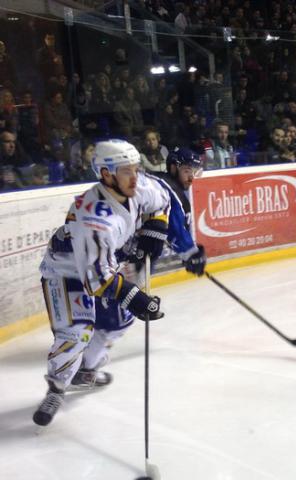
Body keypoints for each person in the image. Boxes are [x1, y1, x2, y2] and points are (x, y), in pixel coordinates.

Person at [33, 139, 170, 427]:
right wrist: (136, 297)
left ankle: (86, 371)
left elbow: (162, 200)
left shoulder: (137, 186)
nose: (135, 177)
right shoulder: (94, 219)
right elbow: (96, 281)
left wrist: (156, 227)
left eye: (136, 168)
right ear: (106, 174)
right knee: (76, 333)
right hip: (66, 272)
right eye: (125, 171)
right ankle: (57, 387)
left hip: (103, 266)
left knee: (119, 322)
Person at [146, 147, 207, 276]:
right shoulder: (169, 190)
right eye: (187, 171)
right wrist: (191, 254)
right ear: (173, 168)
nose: (191, 178)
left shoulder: (158, 181)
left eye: (193, 172)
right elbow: (175, 228)